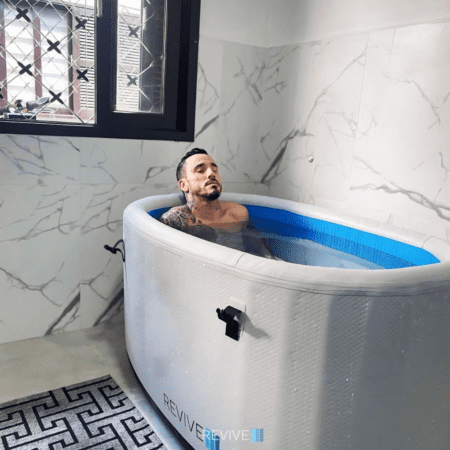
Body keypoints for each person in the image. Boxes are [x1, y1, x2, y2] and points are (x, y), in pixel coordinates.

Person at [159, 148, 281, 259]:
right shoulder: (174, 221)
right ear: (184, 185)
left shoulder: (238, 213)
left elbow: (258, 250)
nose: (211, 174)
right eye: (201, 170)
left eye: (215, 170)